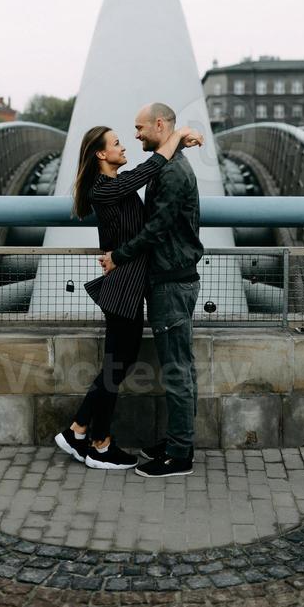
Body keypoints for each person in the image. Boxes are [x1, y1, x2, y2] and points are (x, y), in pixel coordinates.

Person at [54, 121, 203, 471]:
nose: (125, 146)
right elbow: (150, 168)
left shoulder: (110, 186)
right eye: (117, 143)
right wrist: (179, 136)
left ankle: (78, 431)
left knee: (116, 364)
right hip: (123, 287)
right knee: (115, 367)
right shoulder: (105, 188)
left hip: (127, 286)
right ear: (101, 154)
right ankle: (99, 444)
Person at [100, 103, 204, 478]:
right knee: (181, 366)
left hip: (171, 282)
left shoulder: (173, 173)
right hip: (175, 277)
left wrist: (119, 256)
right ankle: (179, 439)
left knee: (176, 369)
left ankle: (180, 456)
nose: (137, 135)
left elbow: (156, 229)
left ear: (160, 125)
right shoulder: (170, 163)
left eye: (140, 127)